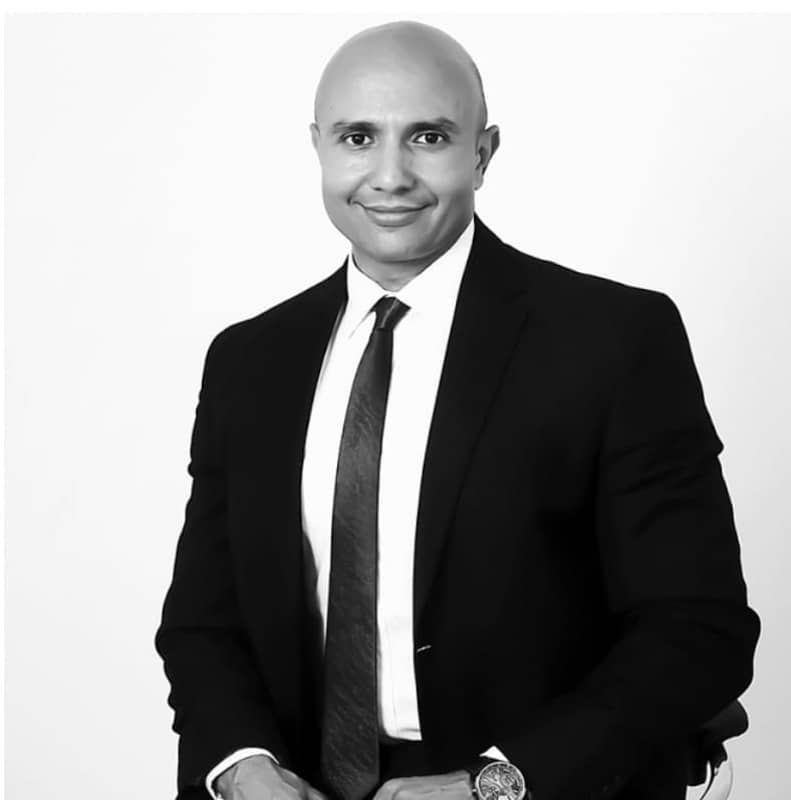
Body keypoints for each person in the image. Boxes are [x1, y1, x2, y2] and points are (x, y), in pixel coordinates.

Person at [155, 20, 760, 800]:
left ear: (482, 151)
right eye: (358, 138)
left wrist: (494, 784)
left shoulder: (613, 340)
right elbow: (204, 621)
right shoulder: (249, 360)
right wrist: (242, 766)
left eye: (429, 137)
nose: (389, 175)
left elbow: (696, 629)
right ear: (318, 148)